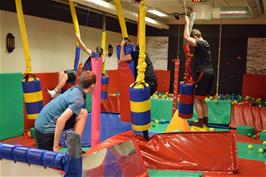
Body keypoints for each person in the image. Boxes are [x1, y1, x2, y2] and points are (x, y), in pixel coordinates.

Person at [34, 71, 96, 151]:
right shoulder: (78, 99)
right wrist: (56, 146)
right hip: (44, 131)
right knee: (50, 161)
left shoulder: (75, 89)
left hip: (41, 123)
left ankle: (74, 147)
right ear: (92, 86)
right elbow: (61, 120)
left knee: (82, 112)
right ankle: (71, 147)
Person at [47, 33, 103, 98]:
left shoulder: (95, 54)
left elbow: (84, 48)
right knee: (61, 72)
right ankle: (58, 92)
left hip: (83, 74)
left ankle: (55, 91)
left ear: (96, 51)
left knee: (65, 76)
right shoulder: (99, 60)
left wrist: (79, 39)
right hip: (82, 73)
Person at [183, 16, 214, 128]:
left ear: (195, 37)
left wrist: (187, 23)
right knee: (202, 99)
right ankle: (205, 120)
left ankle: (200, 121)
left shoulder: (200, 43)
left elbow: (186, 37)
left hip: (203, 74)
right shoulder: (205, 44)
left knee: (197, 98)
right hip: (209, 73)